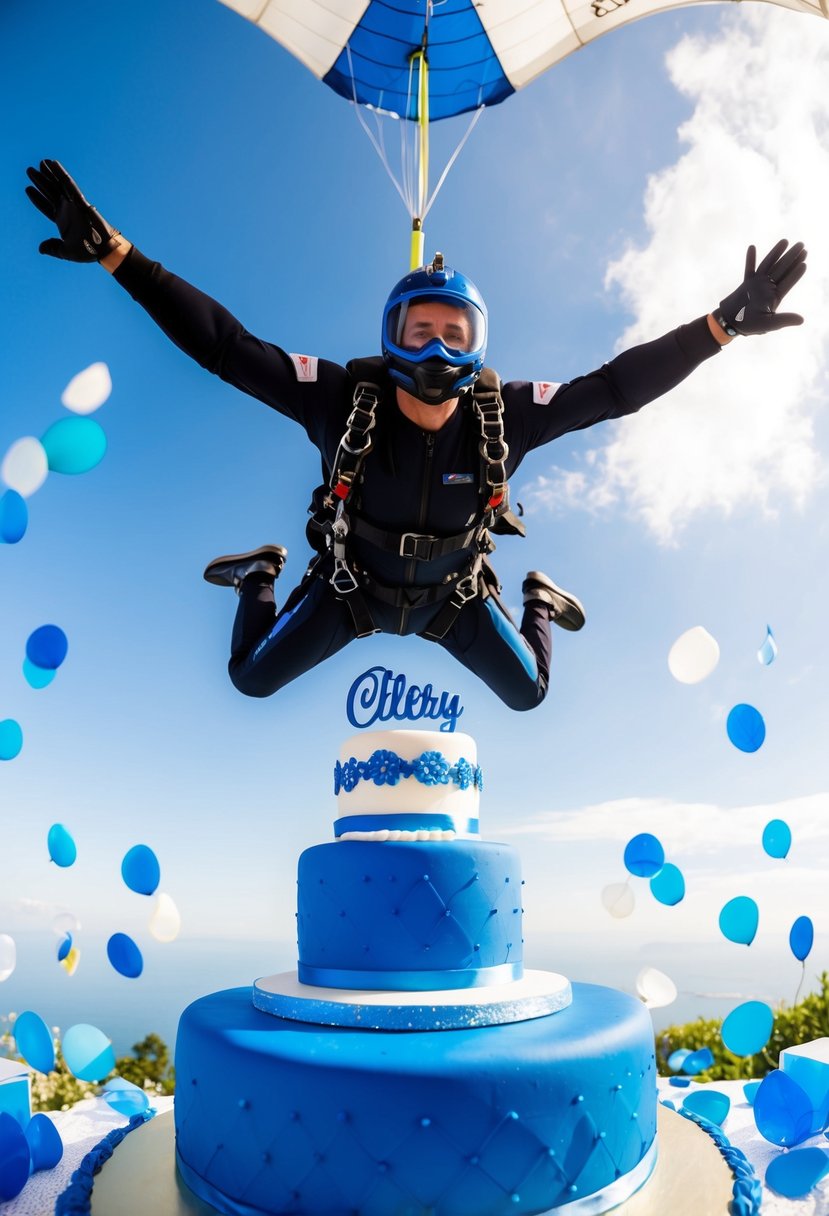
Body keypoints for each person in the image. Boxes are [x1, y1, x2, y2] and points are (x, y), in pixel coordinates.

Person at [25, 159, 808, 712]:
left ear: (478, 346)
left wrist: (718, 328)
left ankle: (537, 597)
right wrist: (116, 256)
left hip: (451, 599)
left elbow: (611, 390)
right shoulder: (340, 399)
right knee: (249, 679)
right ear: (389, 337)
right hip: (350, 591)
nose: (436, 349)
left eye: (453, 334)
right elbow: (227, 347)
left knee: (531, 693)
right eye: (419, 330)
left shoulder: (507, 417)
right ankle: (255, 575)